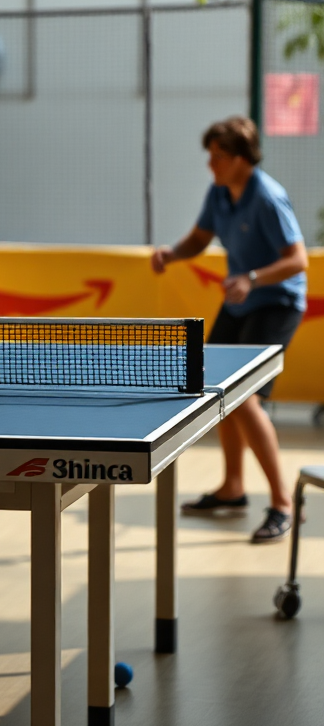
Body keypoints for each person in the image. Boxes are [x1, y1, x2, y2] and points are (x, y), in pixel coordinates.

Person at [151, 116, 308, 543]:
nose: (211, 164)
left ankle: (283, 503)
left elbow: (298, 261)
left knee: (247, 400)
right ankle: (233, 488)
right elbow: (200, 239)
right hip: (239, 301)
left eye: (218, 156)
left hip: (276, 302)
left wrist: (252, 278)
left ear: (241, 159)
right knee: (218, 388)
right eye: (210, 155)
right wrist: (173, 253)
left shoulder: (268, 198)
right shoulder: (220, 192)